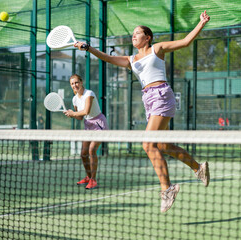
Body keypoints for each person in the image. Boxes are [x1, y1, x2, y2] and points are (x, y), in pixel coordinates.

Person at [74, 11, 210, 212]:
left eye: (138, 33)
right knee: (163, 145)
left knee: (148, 144)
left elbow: (186, 41)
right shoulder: (132, 59)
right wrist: (89, 48)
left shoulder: (157, 49)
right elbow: (107, 58)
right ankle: (199, 168)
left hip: (162, 95)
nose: (133, 36)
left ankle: (167, 189)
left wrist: (201, 23)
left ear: (147, 37)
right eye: (133, 33)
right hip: (148, 100)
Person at [64, 74, 109, 189]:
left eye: (76, 82)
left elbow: (86, 111)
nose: (75, 85)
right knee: (83, 154)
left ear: (81, 82)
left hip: (98, 123)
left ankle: (93, 180)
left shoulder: (89, 94)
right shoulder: (74, 99)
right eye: (72, 84)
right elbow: (80, 117)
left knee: (92, 150)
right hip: (88, 125)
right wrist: (71, 115)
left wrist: (74, 113)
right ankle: (89, 177)